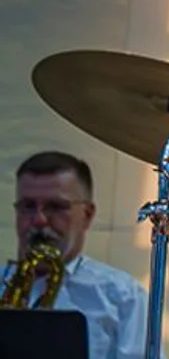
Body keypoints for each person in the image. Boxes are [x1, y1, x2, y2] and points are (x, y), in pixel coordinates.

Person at [4, 151, 147, 359]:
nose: (39, 220)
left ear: (87, 215)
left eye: (55, 207)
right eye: (28, 206)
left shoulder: (123, 295)